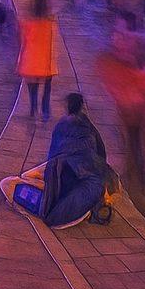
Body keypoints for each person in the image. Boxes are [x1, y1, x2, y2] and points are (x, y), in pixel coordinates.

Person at [95, 18, 145, 191]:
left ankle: (137, 173)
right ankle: (139, 174)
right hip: (135, 114)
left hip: (133, 115)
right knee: (135, 143)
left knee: (134, 143)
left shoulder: (138, 71)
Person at [39, 93, 111, 227]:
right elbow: (98, 155)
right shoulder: (86, 127)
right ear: (81, 107)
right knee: (96, 185)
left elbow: (53, 153)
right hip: (75, 174)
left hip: (58, 174)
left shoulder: (61, 125)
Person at [18, 0, 58, 120]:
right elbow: (52, 43)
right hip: (46, 62)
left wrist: (20, 61)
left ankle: (33, 109)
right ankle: (45, 112)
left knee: (33, 88)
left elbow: (22, 42)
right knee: (47, 89)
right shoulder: (50, 24)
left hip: (30, 61)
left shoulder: (25, 24)